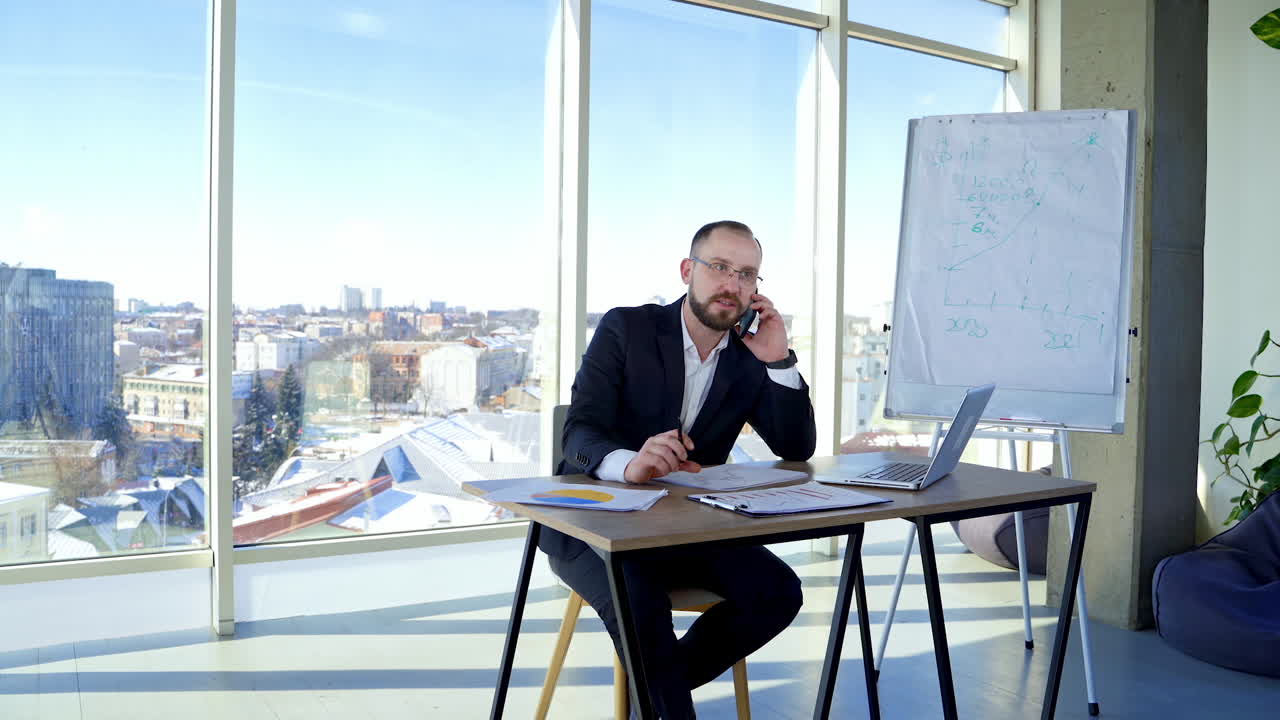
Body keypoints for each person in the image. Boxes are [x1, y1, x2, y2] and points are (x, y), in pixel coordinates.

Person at [539, 220, 817, 718]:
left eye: (748, 274)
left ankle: (660, 686)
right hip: (592, 527)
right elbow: (577, 434)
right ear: (689, 271)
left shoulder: (749, 357)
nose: (733, 284)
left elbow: (797, 447)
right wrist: (630, 465)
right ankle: (664, 694)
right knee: (640, 603)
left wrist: (779, 362)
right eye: (720, 268)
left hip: (686, 530)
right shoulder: (627, 328)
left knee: (779, 592)